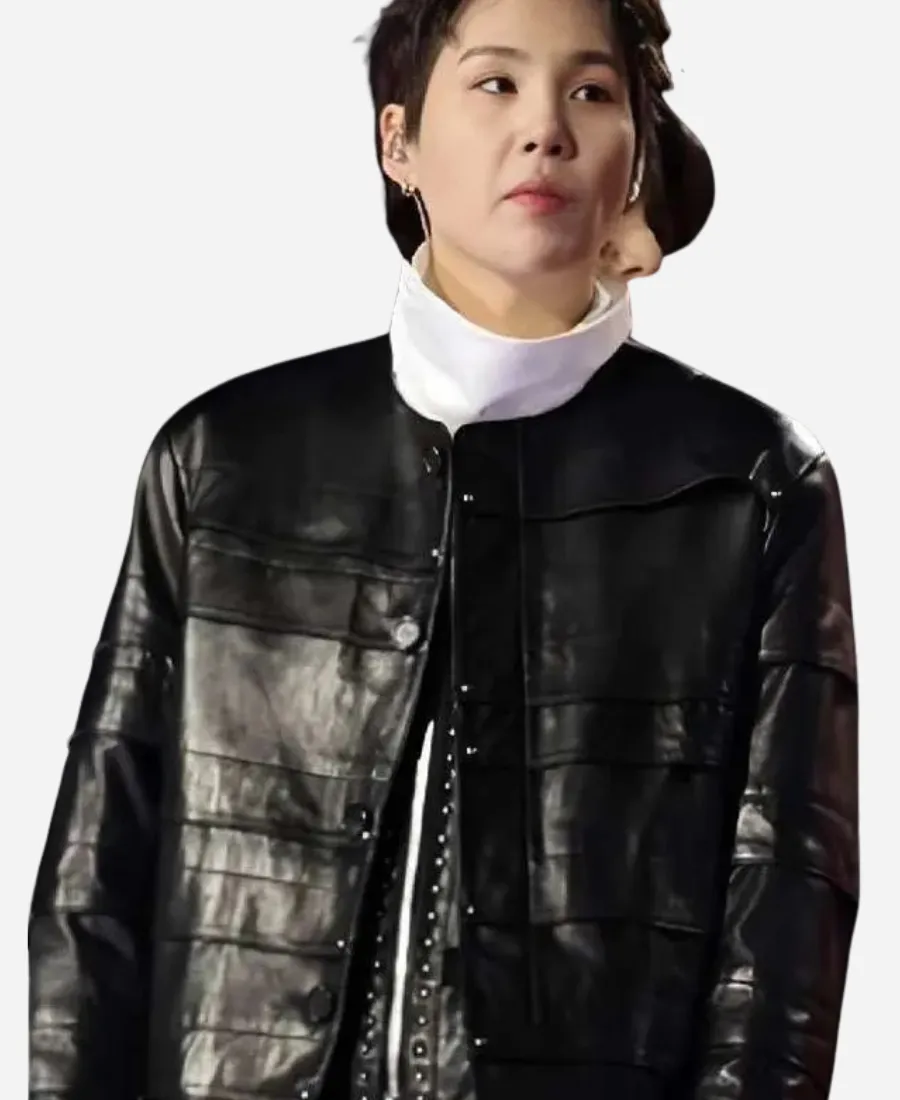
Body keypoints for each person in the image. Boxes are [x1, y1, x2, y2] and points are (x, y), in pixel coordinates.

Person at [28, 2, 858, 1100]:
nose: (545, 128)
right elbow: (94, 887)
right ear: (399, 142)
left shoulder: (749, 483)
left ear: (635, 153)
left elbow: (782, 915)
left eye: (592, 91)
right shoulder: (222, 460)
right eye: (496, 83)